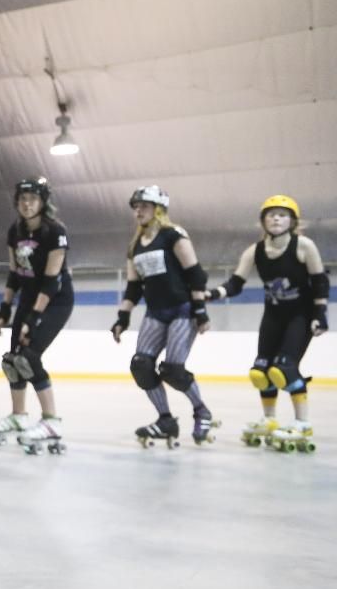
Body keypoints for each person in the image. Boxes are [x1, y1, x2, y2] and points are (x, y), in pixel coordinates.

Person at [206, 195, 329, 447]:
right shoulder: (255, 250)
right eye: (271, 214)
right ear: (263, 221)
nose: (276, 218)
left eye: (282, 214)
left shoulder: (304, 246)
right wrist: (212, 294)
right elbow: (236, 283)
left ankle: (302, 423)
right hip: (272, 317)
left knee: (283, 369)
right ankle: (270, 419)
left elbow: (319, 281)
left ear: (292, 221)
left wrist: (320, 314)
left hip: (300, 316)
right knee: (260, 372)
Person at [110, 185, 215, 446]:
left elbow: (195, 275)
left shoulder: (173, 235)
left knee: (172, 370)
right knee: (141, 366)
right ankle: (165, 420)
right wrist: (122, 317)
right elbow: (134, 287)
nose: (138, 211)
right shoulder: (135, 246)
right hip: (156, 312)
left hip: (182, 309)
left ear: (158, 209)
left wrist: (200, 311)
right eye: (135, 207)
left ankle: (202, 411)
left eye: (143, 206)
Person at [0, 178, 73, 454]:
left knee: (29, 358)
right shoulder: (15, 231)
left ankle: (51, 421)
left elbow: (51, 282)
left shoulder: (55, 232)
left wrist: (33, 319)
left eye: (33, 198)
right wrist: (4, 309)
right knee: (12, 360)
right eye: (23, 198)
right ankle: (19, 415)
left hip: (56, 300)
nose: (27, 203)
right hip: (27, 297)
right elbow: (15, 274)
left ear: (43, 202)